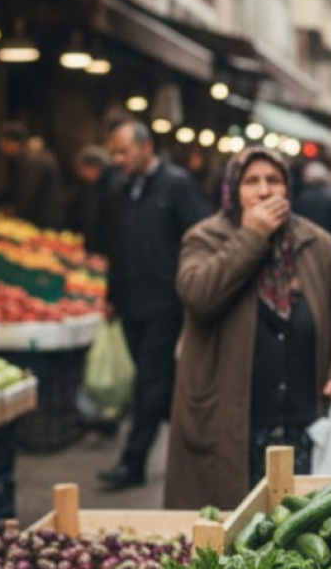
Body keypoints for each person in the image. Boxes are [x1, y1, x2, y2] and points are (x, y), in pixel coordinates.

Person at [164, 147, 331, 508]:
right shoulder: (204, 238)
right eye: (251, 181)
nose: (265, 190)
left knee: (295, 523)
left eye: (274, 180)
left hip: (301, 421)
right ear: (234, 190)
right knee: (235, 527)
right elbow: (199, 295)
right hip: (231, 422)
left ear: (288, 188)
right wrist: (252, 236)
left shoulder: (316, 242)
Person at [99, 120, 210, 490]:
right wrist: (112, 295)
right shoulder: (120, 188)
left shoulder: (176, 184)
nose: (117, 159)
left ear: (146, 148)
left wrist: (186, 288)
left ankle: (133, 462)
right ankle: (199, 442)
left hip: (165, 303)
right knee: (160, 386)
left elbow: (201, 236)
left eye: (123, 151)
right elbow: (116, 245)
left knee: (150, 382)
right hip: (130, 302)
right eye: (113, 152)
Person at [0, 122, 64, 229]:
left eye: (3, 144)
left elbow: (29, 194)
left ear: (13, 142)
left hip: (42, 222)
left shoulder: (33, 161)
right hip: (41, 219)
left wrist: (16, 216)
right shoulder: (27, 158)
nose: (2, 149)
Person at [69, 146, 122, 257]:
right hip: (94, 250)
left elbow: (109, 225)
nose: (81, 174)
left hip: (104, 254)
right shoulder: (95, 185)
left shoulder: (112, 186)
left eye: (83, 169)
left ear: (94, 167)